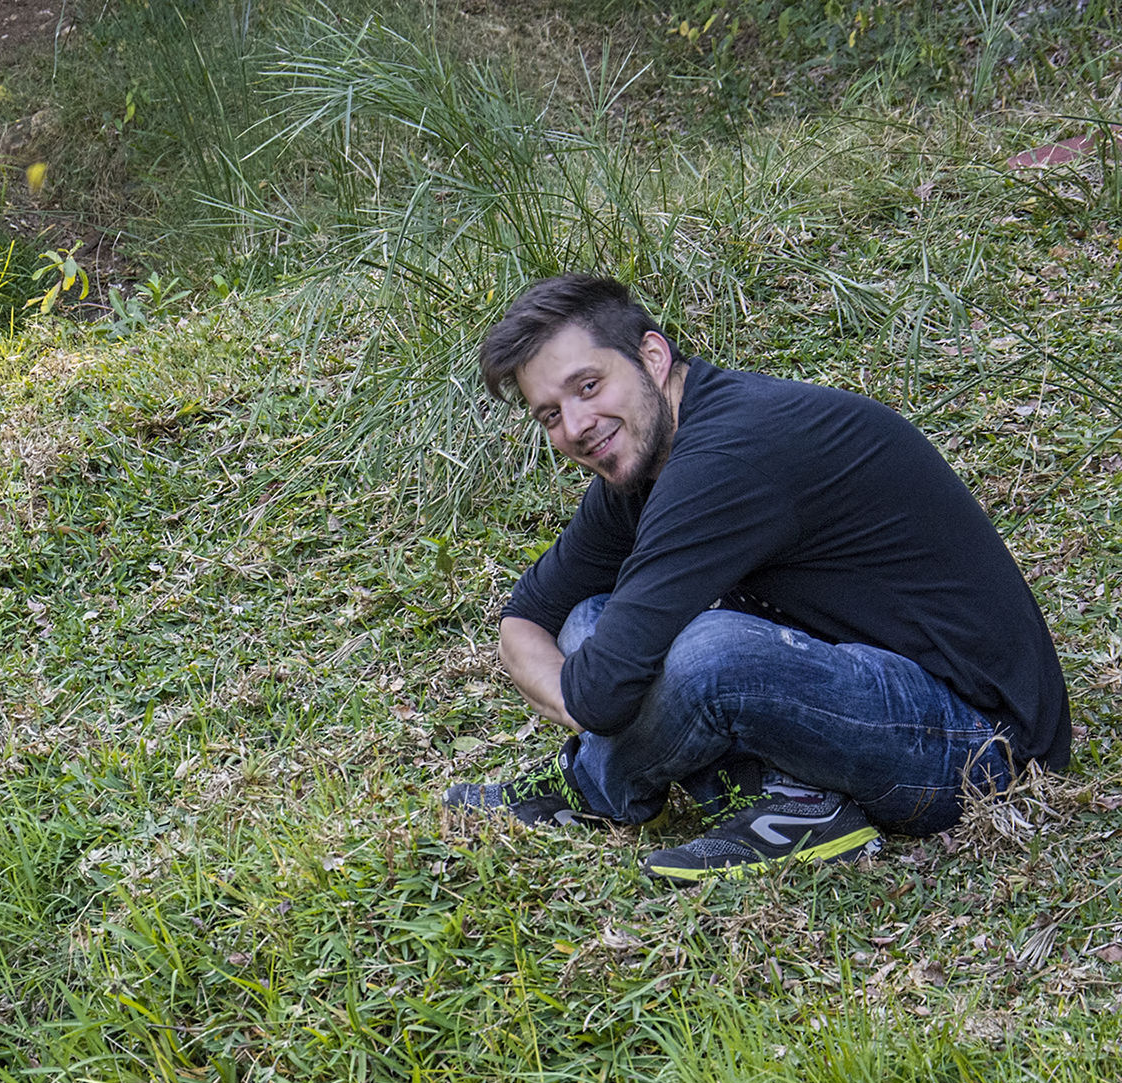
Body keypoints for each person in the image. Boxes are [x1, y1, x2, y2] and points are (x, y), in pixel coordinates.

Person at [443, 274, 1070, 885]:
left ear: (652, 357)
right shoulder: (641, 460)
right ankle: (797, 805)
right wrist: (588, 699)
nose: (576, 425)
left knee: (706, 654)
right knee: (591, 620)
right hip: (854, 687)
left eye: (588, 385)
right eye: (550, 414)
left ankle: (590, 786)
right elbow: (529, 617)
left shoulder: (730, 454)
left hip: (977, 746)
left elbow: (603, 694)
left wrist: (596, 710)